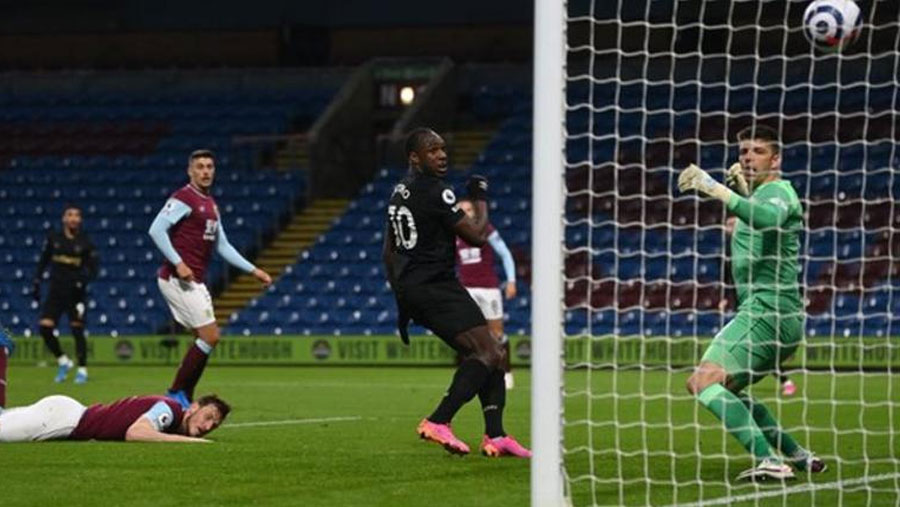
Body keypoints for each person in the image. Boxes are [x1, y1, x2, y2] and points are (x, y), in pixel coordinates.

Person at [678, 125, 824, 481]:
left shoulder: (779, 191)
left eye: (758, 151)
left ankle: (770, 461)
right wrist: (743, 190)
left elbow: (769, 219)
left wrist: (717, 189)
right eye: (744, 151)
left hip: (768, 311)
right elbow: (757, 224)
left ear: (776, 159)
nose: (747, 157)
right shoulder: (760, 195)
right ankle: (798, 455)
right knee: (727, 386)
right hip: (767, 313)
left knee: (702, 381)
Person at [383, 127, 530, 458]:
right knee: (488, 353)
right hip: (436, 285)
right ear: (414, 157)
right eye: (433, 150)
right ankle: (439, 420)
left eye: (443, 149)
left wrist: (401, 297)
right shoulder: (437, 191)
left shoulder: (399, 192)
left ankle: (496, 435)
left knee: (492, 351)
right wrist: (479, 196)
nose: (441, 155)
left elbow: (388, 249)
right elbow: (478, 235)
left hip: (416, 286)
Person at [148, 149, 272, 409]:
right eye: (200, 167)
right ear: (190, 171)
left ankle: (184, 396)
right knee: (210, 336)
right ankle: (175, 392)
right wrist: (178, 263)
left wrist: (254, 271)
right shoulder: (184, 197)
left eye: (209, 167)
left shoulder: (210, 204)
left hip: (194, 281)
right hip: (177, 278)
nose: (205, 171)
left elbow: (223, 246)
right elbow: (156, 230)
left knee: (204, 339)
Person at [0, 328, 228, 443]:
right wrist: (188, 442)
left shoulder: (172, 414)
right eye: (209, 416)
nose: (208, 426)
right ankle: (3, 348)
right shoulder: (171, 410)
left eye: (214, 425)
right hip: (63, 420)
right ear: (194, 406)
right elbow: (136, 432)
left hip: (67, 413)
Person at [720, 216, 797, 397]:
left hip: (756, 303)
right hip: (740, 304)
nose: (728, 228)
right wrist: (725, 298)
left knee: (756, 346)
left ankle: (785, 377)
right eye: (727, 225)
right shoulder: (728, 253)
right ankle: (733, 380)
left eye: (732, 224)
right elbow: (727, 279)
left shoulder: (750, 246)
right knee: (745, 345)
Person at [454, 198, 518, 389]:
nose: (465, 212)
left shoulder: (486, 229)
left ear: (475, 212)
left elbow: (505, 253)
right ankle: (469, 374)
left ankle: (505, 371)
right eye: (461, 210)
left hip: (489, 287)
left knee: (496, 333)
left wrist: (512, 280)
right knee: (466, 332)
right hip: (467, 288)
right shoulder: (453, 234)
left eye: (468, 209)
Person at [33, 204, 98, 384]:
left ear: (80, 220)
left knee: (77, 330)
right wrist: (36, 280)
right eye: (70, 215)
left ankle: (82, 370)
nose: (73, 218)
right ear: (64, 218)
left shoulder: (85, 242)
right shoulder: (54, 239)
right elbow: (43, 260)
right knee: (45, 328)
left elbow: (93, 269)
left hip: (75, 293)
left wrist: (82, 282)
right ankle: (63, 361)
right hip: (55, 290)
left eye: (77, 215)